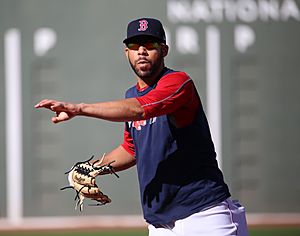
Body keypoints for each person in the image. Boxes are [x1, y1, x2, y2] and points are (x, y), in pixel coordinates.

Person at [35, 17, 248, 236]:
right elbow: (131, 149)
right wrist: (93, 167)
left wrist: (79, 108)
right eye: (135, 46)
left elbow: (141, 109)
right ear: (126, 52)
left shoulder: (178, 83)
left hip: (204, 214)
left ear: (164, 50)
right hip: (160, 222)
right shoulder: (131, 94)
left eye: (151, 45)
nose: (142, 51)